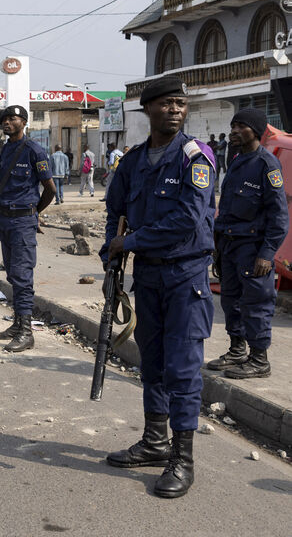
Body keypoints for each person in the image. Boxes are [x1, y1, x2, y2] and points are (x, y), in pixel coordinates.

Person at [100, 76, 216, 499]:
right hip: (147, 277)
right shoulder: (131, 162)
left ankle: (181, 460)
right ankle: (154, 441)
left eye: (181, 104)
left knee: (182, 369)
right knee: (152, 363)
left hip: (186, 277)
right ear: (147, 109)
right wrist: (109, 257)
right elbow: (114, 213)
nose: (175, 109)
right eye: (167, 103)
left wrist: (127, 242)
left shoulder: (195, 156)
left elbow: (187, 219)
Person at [209, 108, 288, 379]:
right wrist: (217, 246)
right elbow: (227, 207)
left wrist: (267, 254)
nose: (233, 131)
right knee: (231, 300)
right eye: (232, 126)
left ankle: (259, 360)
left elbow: (279, 216)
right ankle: (236, 350)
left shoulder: (267, 165)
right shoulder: (236, 160)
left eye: (240, 126)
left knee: (256, 303)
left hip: (253, 249)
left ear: (256, 131)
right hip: (230, 245)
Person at [0, 105, 56, 352]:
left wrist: (35, 212)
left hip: (23, 221)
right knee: (12, 274)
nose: (7, 122)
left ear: (24, 122)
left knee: (22, 276)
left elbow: (50, 189)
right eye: (4, 119)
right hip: (5, 220)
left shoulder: (34, 151)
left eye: (13, 118)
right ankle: (18, 325)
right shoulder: (6, 149)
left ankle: (27, 333)